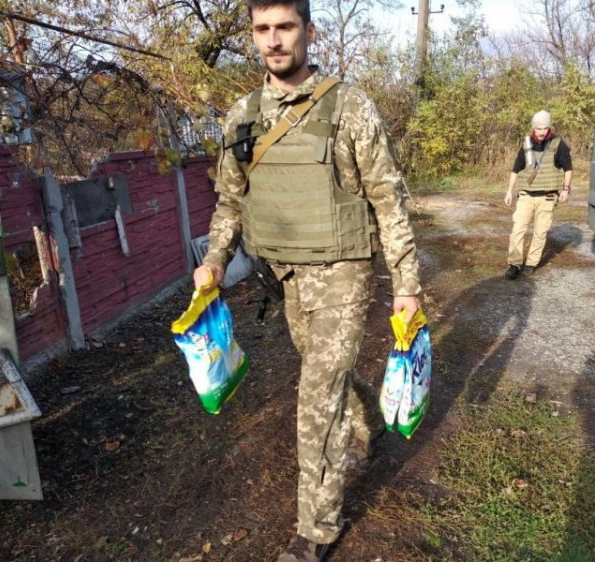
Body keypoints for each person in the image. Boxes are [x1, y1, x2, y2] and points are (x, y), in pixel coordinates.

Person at [192, 1, 421, 560]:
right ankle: (369, 421)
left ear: (308, 32)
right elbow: (230, 200)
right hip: (284, 276)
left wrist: (406, 284)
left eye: (285, 27)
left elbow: (389, 201)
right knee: (328, 382)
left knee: (315, 397)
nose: (273, 41)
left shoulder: (350, 107)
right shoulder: (242, 116)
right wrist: (216, 259)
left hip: (343, 273)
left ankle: (315, 530)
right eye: (262, 29)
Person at [503, 110, 573, 280]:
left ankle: (531, 263)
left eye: (545, 128)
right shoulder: (526, 144)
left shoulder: (558, 144)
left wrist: (566, 189)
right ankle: (514, 263)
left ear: (549, 127)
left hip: (547, 197)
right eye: (538, 128)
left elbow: (568, 168)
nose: (542, 132)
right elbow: (516, 169)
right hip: (526, 195)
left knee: (540, 233)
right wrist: (509, 191)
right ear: (533, 128)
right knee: (518, 229)